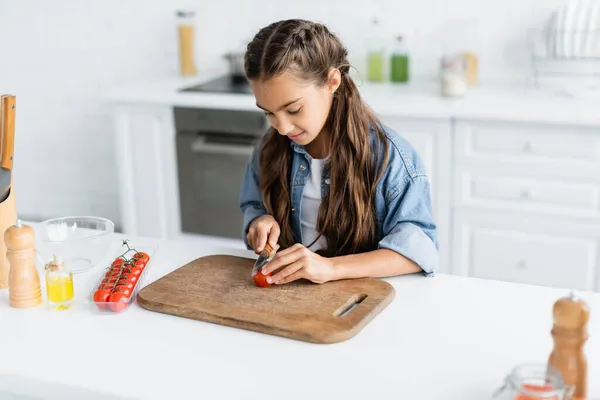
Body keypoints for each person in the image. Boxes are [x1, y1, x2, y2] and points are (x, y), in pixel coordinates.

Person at [239, 19, 438, 286]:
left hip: (361, 302)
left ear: (332, 81)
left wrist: (330, 268)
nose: (282, 127)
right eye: (269, 112)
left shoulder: (391, 158)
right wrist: (260, 220)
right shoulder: (269, 146)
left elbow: (418, 252)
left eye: (294, 110)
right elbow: (254, 205)